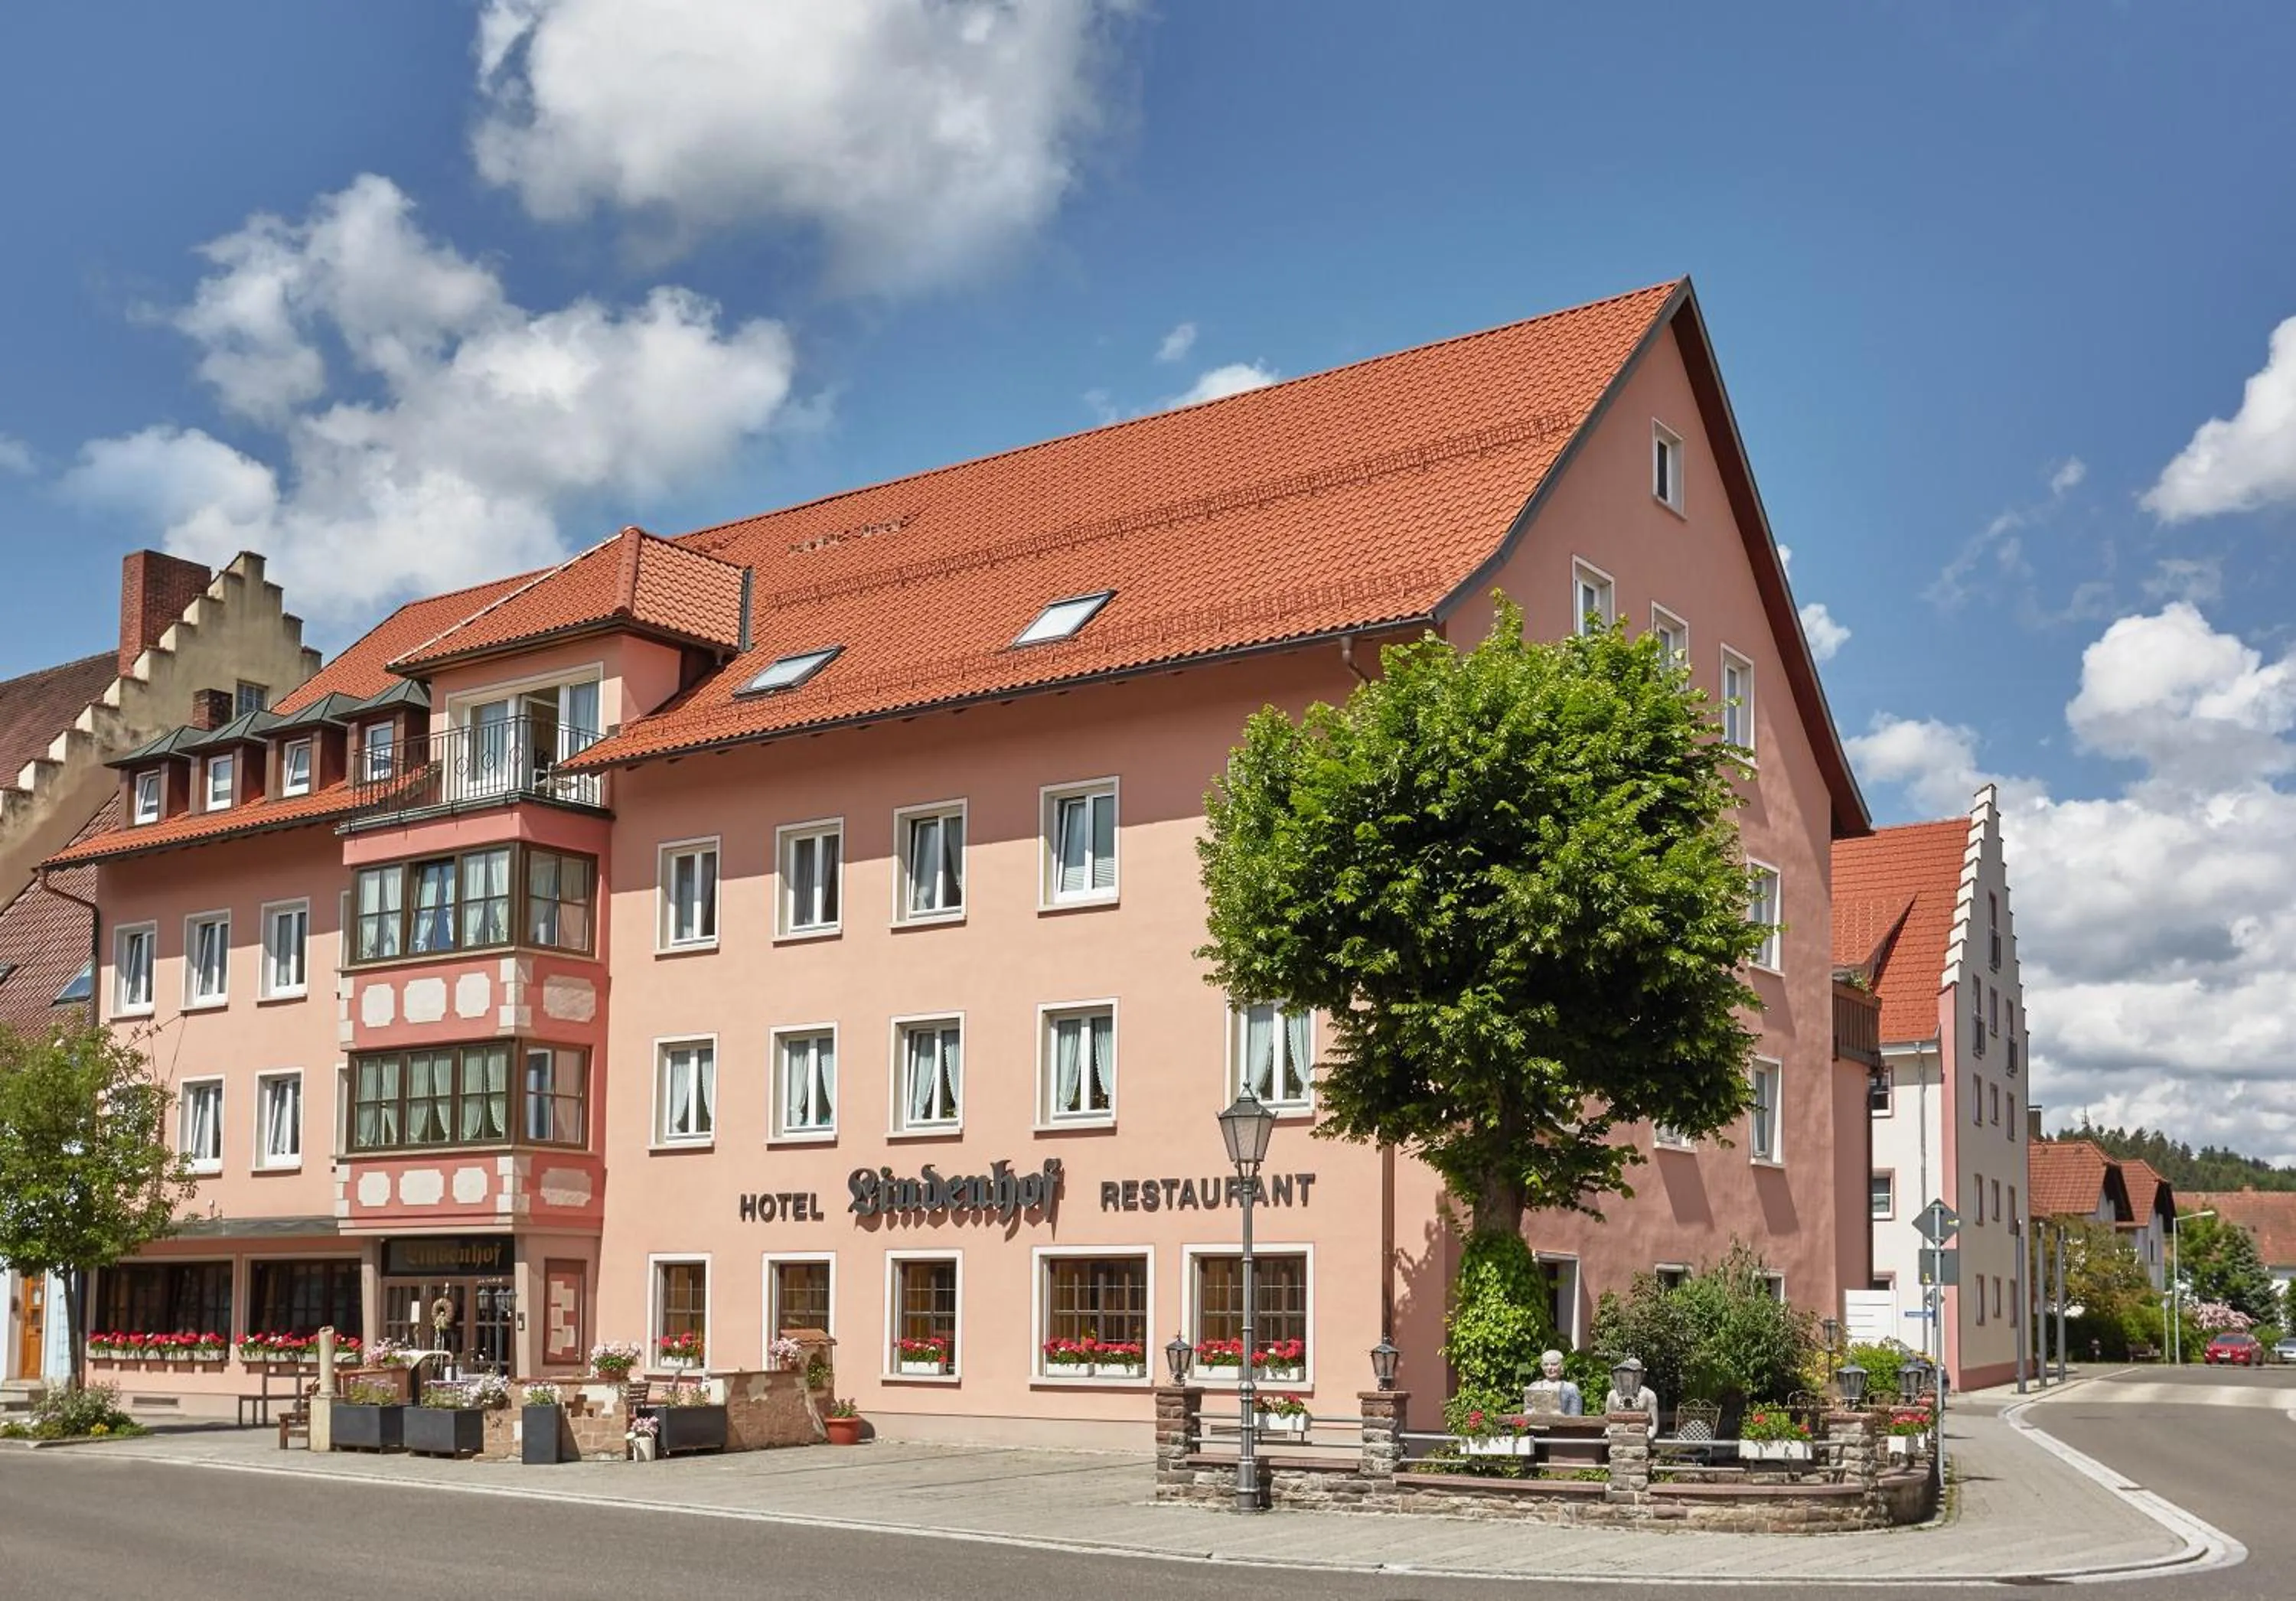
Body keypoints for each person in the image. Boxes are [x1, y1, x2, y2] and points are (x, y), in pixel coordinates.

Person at [1522, 1349, 1584, 1416]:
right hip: (1538, 1425)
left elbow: (1575, 1416)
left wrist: (1559, 1417)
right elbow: (1527, 1414)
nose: (1549, 1368)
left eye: (1554, 1364)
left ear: (1562, 1366)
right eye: (1546, 1364)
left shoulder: (1571, 1389)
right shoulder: (1534, 1387)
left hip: (1562, 1425)